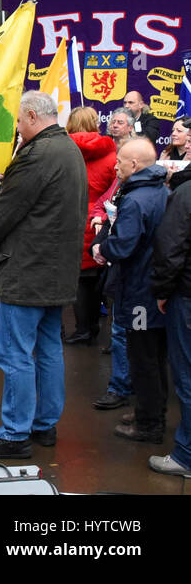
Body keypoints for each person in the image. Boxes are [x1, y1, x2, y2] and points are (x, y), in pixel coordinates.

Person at [0, 91, 87, 460]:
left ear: (33, 116)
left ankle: (15, 433)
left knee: (16, 353)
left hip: (28, 269)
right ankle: (43, 425)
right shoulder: (70, 150)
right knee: (50, 348)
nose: (17, 128)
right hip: (58, 270)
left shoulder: (37, 155)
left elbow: (6, 209)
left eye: (19, 121)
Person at [92, 138, 169, 443]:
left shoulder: (136, 200)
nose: (116, 164)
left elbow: (123, 245)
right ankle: (151, 410)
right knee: (154, 357)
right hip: (151, 289)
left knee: (143, 358)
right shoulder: (160, 190)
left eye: (121, 160)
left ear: (134, 165)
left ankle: (149, 423)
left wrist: (102, 248)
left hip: (140, 292)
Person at [147, 159, 191, 476]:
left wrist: (162, 290)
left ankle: (187, 454)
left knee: (187, 376)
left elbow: (170, 246)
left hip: (186, 296)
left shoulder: (185, 193)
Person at [65, 106, 117, 345]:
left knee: (78, 281)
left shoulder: (63, 151)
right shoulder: (111, 154)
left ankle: (84, 328)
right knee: (95, 279)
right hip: (98, 221)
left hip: (69, 217)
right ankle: (94, 327)